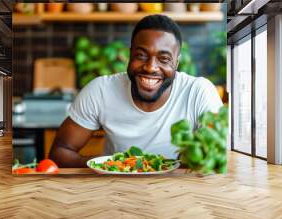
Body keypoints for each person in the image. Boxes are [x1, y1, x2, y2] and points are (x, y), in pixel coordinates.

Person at [50, 14, 223, 167]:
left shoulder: (199, 92)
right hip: (115, 190)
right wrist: (107, 164)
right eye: (141, 55)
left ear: (176, 63)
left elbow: (218, 157)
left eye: (164, 59)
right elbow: (60, 152)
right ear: (130, 54)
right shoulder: (100, 90)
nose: (150, 67)